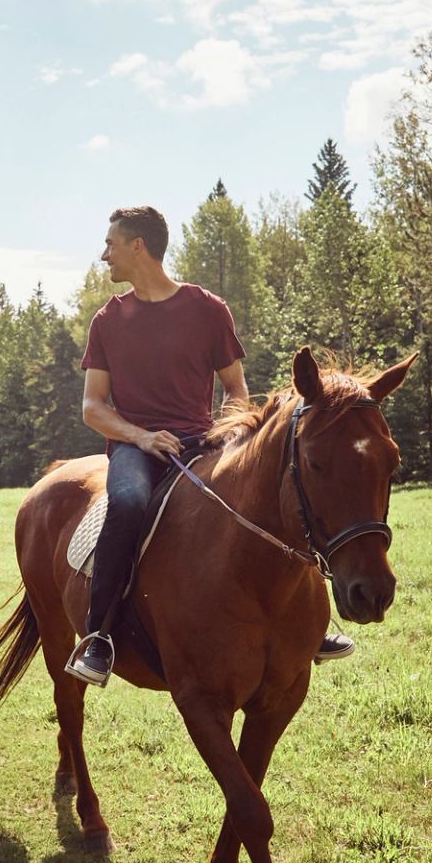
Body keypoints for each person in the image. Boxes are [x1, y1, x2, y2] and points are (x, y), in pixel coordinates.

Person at [66, 206, 353, 685]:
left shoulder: (208, 310)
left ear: (139, 246)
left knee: (270, 498)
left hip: (204, 441)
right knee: (131, 501)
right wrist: (139, 436)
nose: (104, 255)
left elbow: (235, 390)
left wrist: (226, 433)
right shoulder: (108, 321)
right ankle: (99, 636)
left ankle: (310, 624)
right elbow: (93, 407)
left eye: (110, 244)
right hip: (136, 448)